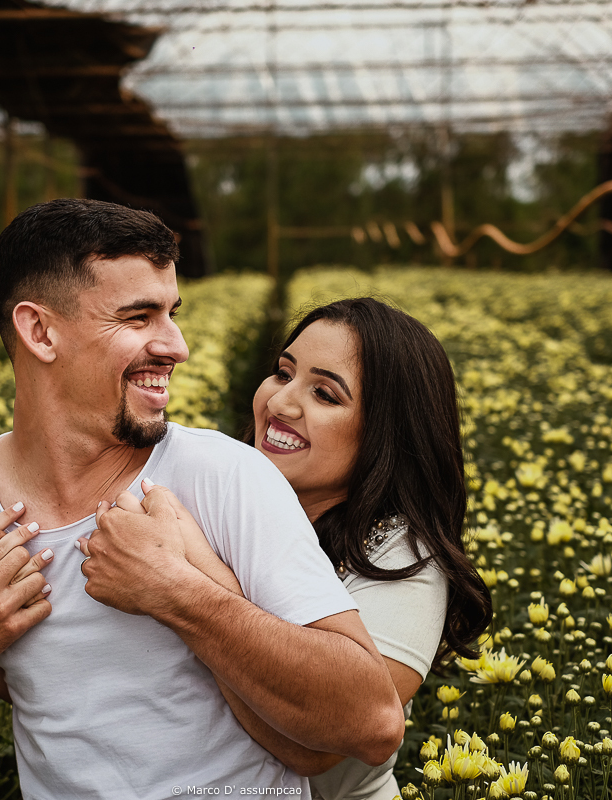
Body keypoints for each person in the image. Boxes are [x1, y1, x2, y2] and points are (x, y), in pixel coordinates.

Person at [0, 199, 405, 799]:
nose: (176, 346)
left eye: (172, 313)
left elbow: (373, 722)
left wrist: (178, 591)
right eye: (139, 318)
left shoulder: (225, 474)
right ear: (40, 331)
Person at [84, 298, 493, 799]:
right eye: (282, 373)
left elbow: (311, 749)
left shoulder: (404, 556)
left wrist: (186, 577)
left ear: (386, 433)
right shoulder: (206, 488)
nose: (280, 403)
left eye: (324, 394)